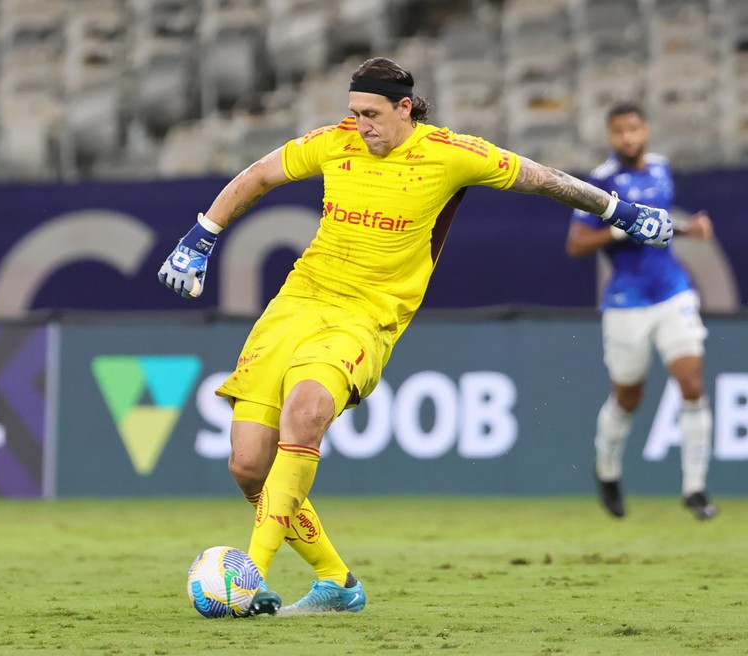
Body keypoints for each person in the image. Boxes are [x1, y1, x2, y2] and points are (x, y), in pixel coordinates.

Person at [158, 58, 673, 616]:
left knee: (305, 414)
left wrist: (619, 210)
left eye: (372, 114)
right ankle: (337, 583)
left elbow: (543, 178)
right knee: (248, 466)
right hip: (295, 305)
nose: (360, 125)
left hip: (365, 317)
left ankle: (249, 574)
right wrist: (201, 236)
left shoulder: (452, 154)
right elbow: (258, 174)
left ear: (405, 108)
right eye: (354, 112)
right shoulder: (338, 141)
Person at [566, 102, 716, 521]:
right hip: (626, 301)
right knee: (628, 395)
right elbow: (576, 244)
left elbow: (658, 226)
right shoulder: (600, 182)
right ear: (610, 136)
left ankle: (695, 488)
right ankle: (607, 469)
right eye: (619, 131)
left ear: (645, 130)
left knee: (691, 381)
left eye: (634, 129)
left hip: (672, 292)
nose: (628, 137)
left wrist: (690, 230)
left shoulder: (661, 169)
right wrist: (615, 228)